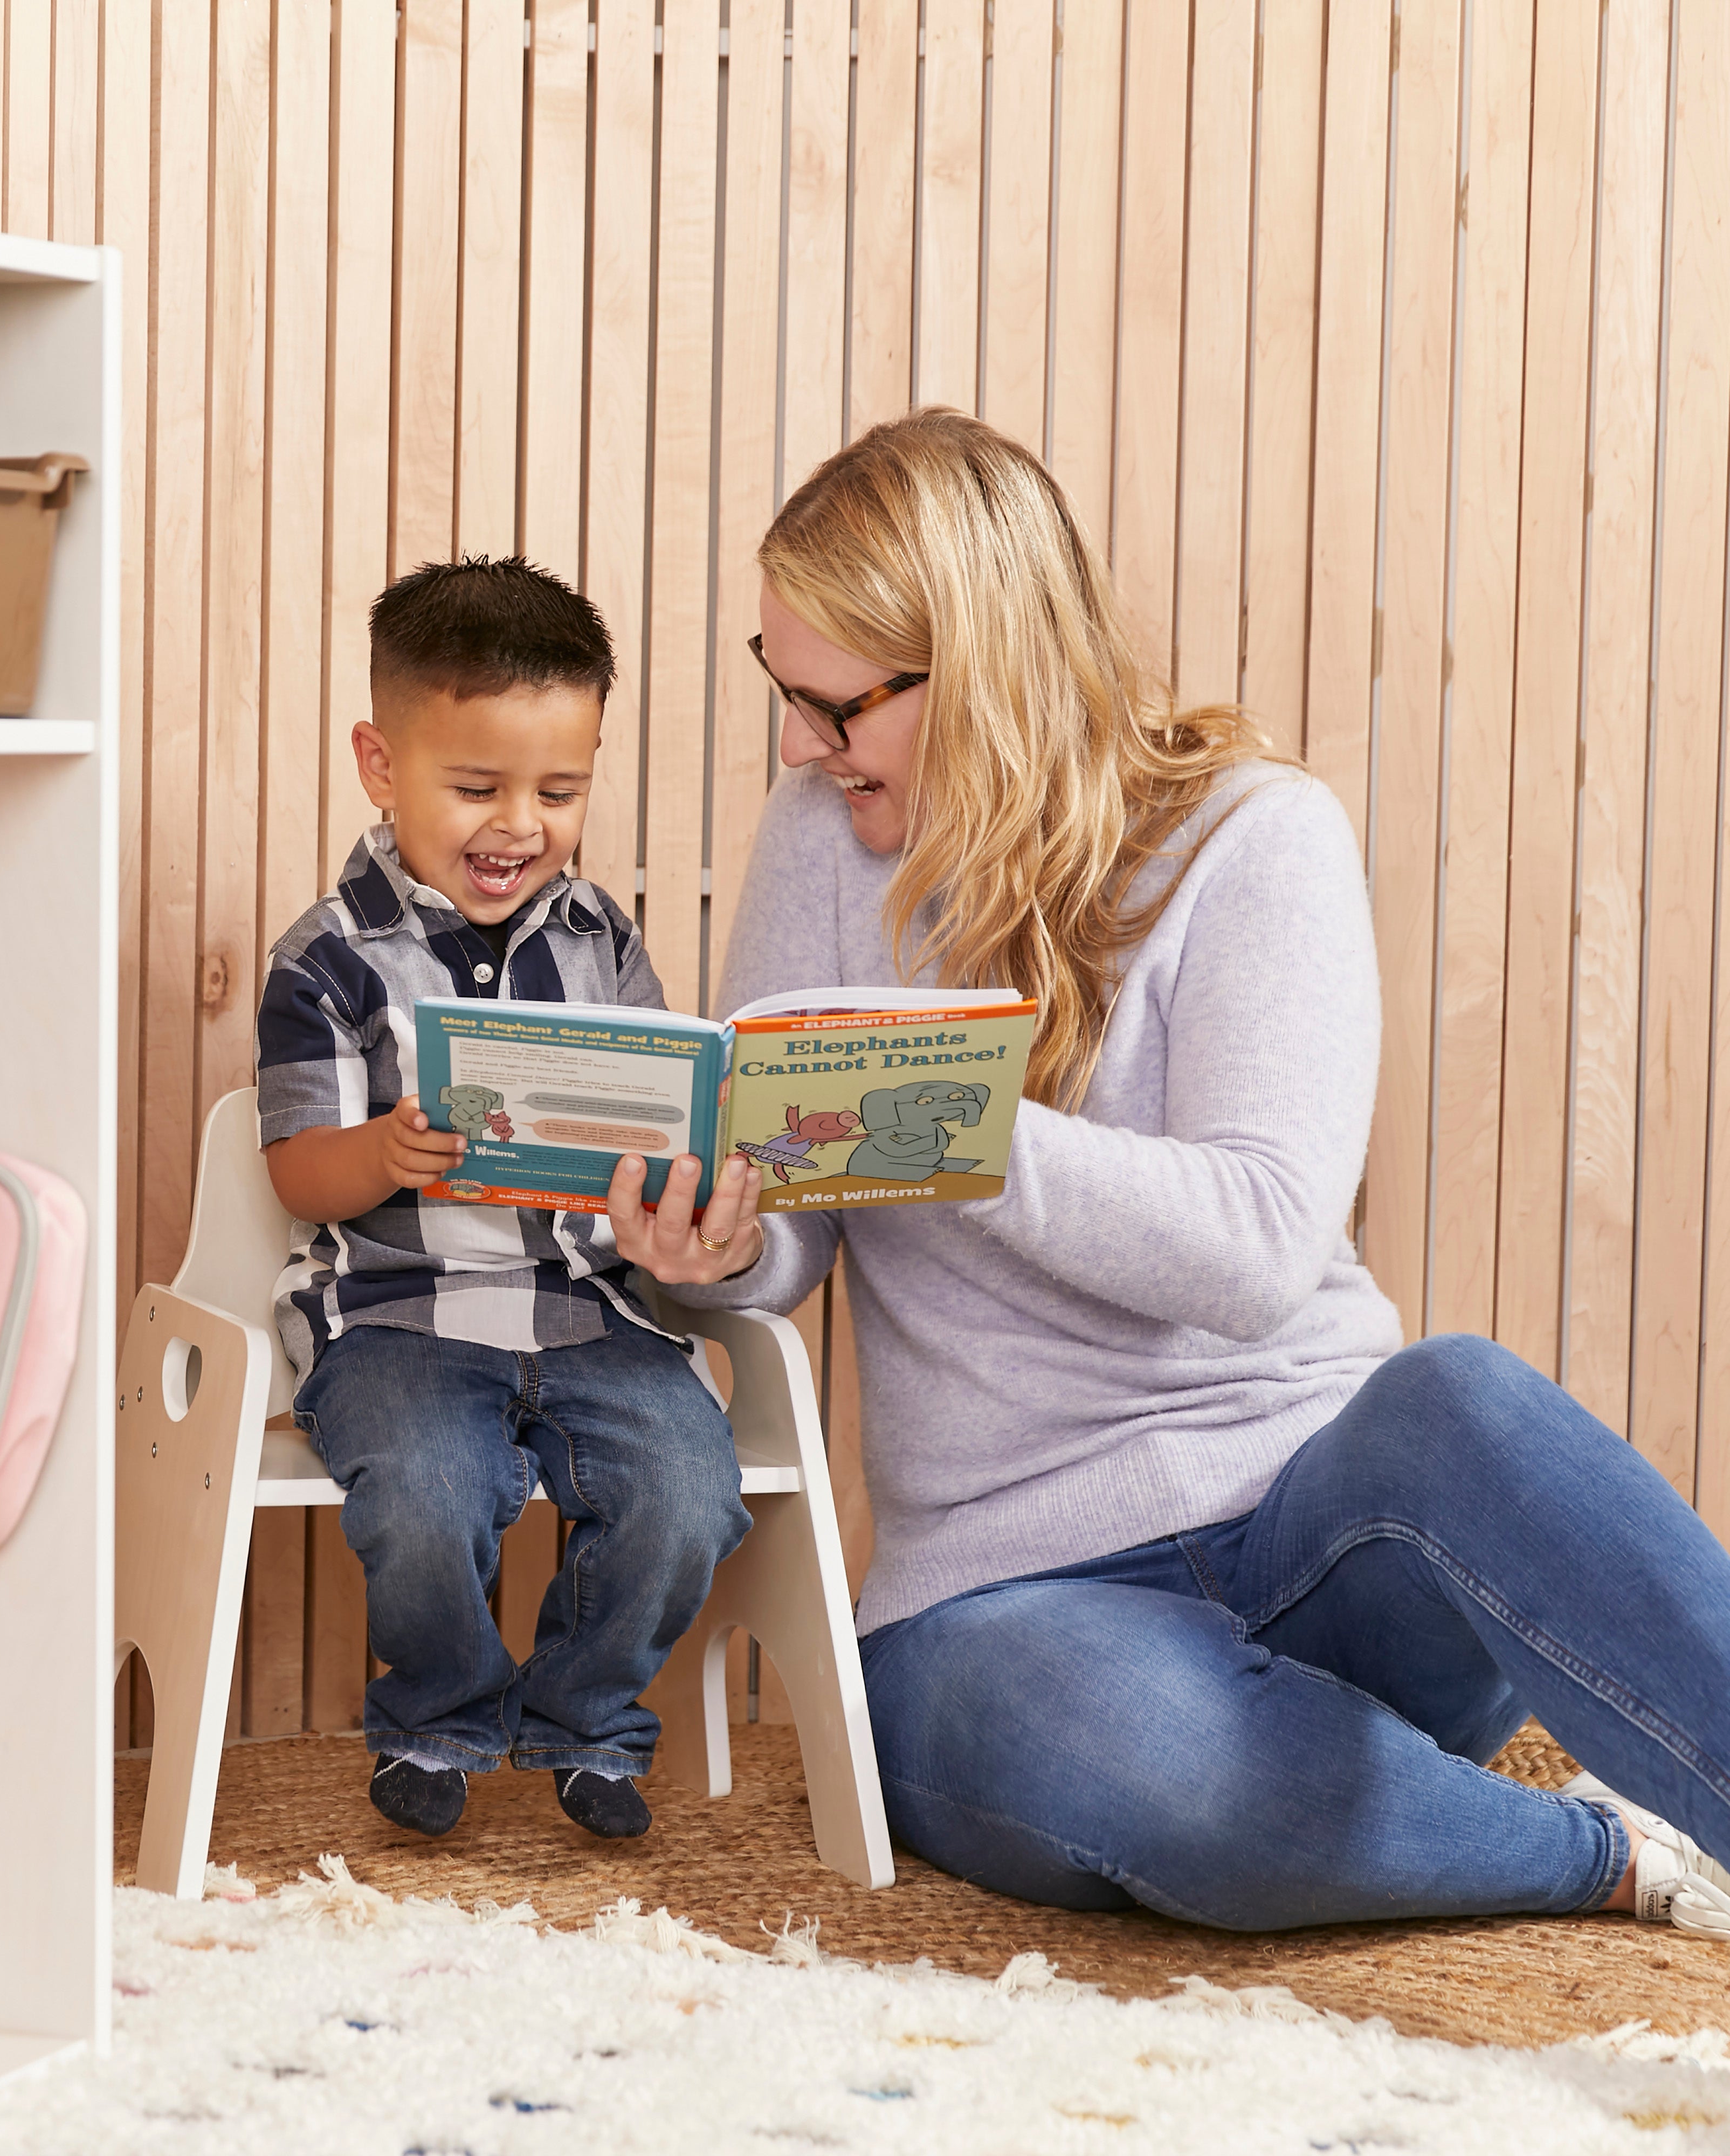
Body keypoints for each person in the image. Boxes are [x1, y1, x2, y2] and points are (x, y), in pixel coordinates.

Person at [608, 407, 1730, 1941]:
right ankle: (1592, 1855)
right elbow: (792, 1232)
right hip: (1007, 1600)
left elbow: (1264, 1247)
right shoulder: (822, 840)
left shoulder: (1256, 839)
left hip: (1315, 1525)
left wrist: (962, 1129)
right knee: (1190, 1780)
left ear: (984, 672)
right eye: (783, 687)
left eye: (839, 705)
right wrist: (719, 1252)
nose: (803, 743)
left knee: (1461, 1396)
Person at [258, 555, 749, 1843]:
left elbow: (657, 1112)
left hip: (586, 1308)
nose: (516, 823)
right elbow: (296, 1168)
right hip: (400, 1316)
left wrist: (693, 1199)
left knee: (689, 1489)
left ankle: (587, 1720)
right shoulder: (329, 954)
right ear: (379, 763)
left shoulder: (599, 934)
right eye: (474, 786)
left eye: (559, 789)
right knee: (423, 1489)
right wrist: (388, 1152)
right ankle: (438, 1716)